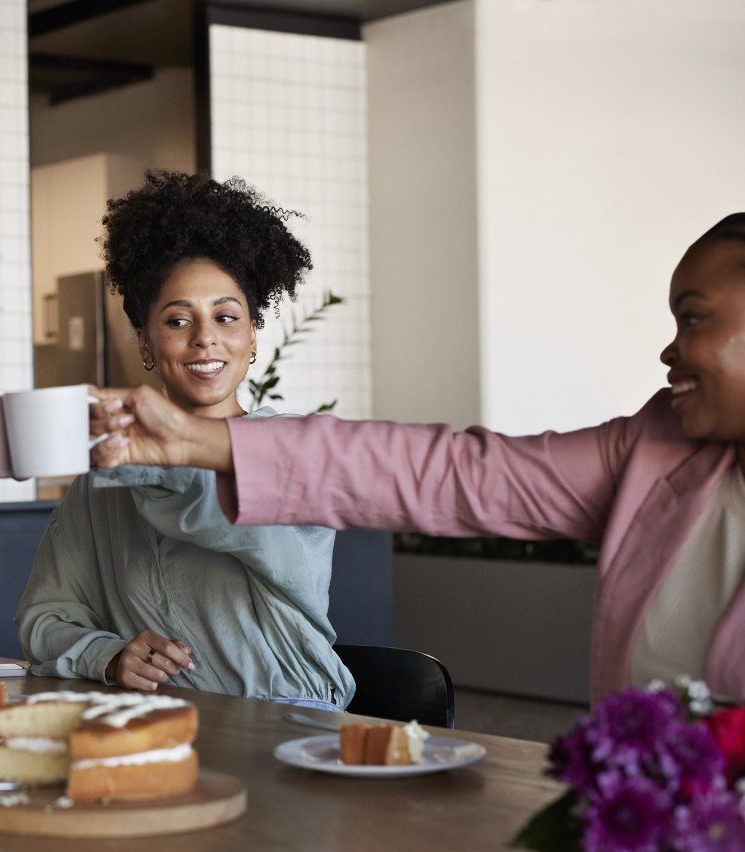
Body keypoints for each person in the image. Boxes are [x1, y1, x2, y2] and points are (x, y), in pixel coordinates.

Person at [90, 212, 745, 703]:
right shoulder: (658, 449)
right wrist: (192, 441)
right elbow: (449, 475)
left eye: (692, 320)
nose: (670, 352)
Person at [16, 171, 354, 708]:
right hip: (158, 726)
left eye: (225, 316)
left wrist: (131, 450)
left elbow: (205, 505)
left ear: (250, 340)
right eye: (178, 320)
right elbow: (45, 617)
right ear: (146, 343)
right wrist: (106, 655)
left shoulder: (292, 455)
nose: (205, 338)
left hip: (292, 723)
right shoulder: (101, 483)